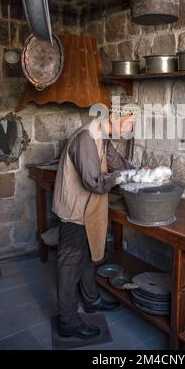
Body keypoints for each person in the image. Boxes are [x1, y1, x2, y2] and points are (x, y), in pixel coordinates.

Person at [52, 108, 136, 339]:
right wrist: (122, 178)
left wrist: (138, 173)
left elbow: (116, 163)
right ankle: (67, 322)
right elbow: (94, 182)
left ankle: (91, 300)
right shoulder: (86, 139)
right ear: (114, 119)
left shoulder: (103, 138)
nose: (130, 130)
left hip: (89, 210)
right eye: (129, 124)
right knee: (69, 265)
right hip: (74, 211)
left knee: (88, 254)